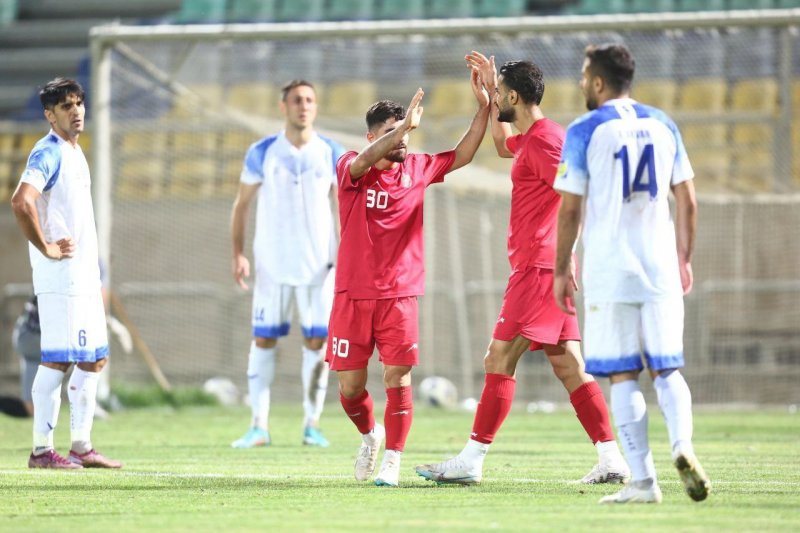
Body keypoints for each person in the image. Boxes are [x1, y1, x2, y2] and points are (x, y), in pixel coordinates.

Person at [416, 53, 629, 486]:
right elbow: (500, 144)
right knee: (569, 365)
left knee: (498, 358)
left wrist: (561, 262)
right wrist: (487, 102)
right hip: (545, 266)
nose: (495, 97)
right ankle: (611, 459)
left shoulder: (548, 142)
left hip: (539, 269)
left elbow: (576, 194)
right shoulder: (533, 138)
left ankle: (472, 458)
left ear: (515, 95)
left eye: (499, 93)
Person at [553, 43, 709, 504]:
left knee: (623, 375)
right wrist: (683, 258)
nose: (582, 83)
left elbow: (570, 210)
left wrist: (561, 267)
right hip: (660, 265)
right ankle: (682, 446)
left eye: (584, 76)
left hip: (610, 268)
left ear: (598, 82)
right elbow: (689, 200)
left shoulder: (584, 130)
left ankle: (643, 483)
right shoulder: (664, 124)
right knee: (667, 367)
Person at [326, 69, 490, 487]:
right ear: (371, 136)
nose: (402, 138)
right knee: (350, 387)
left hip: (400, 294)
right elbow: (364, 161)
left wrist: (485, 108)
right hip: (352, 294)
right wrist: (403, 126)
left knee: (397, 377)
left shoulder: (418, 169)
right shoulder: (350, 166)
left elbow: (463, 154)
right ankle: (370, 436)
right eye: (392, 131)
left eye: (405, 132)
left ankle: (393, 461)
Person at [10, 77, 122, 469]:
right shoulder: (49, 152)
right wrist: (47, 247)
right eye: (66, 106)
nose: (76, 111)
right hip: (62, 278)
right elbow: (21, 201)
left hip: (85, 277)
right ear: (49, 115)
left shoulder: (75, 151)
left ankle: (81, 446)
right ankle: (41, 450)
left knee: (94, 359)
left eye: (78, 104)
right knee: (57, 360)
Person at [230, 80, 344, 448]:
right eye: (297, 100)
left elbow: (345, 207)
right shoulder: (262, 151)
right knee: (264, 339)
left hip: (319, 267)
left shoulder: (330, 152)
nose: (304, 106)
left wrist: (348, 253)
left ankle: (312, 424)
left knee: (317, 341)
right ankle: (258, 425)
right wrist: (239, 253)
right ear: (283, 107)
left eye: (310, 99)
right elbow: (241, 204)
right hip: (272, 264)